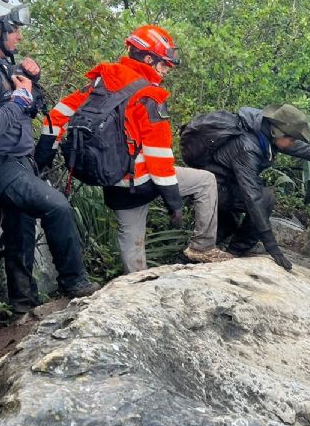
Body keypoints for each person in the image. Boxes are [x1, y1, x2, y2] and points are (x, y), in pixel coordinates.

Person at [35, 25, 233, 273]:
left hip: (112, 180)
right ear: (148, 59)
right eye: (164, 65)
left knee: (132, 244)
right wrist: (174, 201)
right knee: (205, 181)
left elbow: (56, 117)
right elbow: (158, 156)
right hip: (143, 180)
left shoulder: (101, 81)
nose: (166, 71)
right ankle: (202, 247)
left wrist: (41, 159)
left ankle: (135, 285)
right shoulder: (149, 96)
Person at [0, 0, 99, 310]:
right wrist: (19, 97)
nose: (18, 34)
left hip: (13, 162)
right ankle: (74, 282)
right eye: (13, 28)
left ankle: (23, 305)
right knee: (56, 206)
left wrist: (27, 82)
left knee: (19, 231)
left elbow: (20, 108)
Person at [182, 104, 310, 271]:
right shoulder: (248, 147)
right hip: (212, 189)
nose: (293, 143)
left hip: (224, 184)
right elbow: (253, 197)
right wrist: (272, 245)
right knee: (266, 198)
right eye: (292, 139)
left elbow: (300, 149)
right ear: (277, 132)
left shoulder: (262, 131)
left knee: (229, 224)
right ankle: (235, 253)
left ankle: (191, 259)